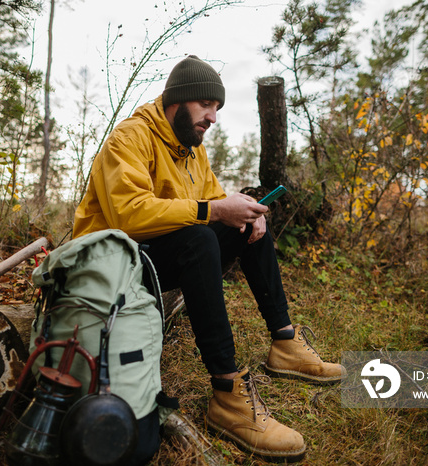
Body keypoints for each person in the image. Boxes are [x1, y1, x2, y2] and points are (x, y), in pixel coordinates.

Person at [73, 55, 345, 461]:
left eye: (216, 108)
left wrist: (246, 213)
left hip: (153, 258)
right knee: (201, 236)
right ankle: (228, 393)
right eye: (206, 105)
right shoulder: (130, 138)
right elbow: (127, 215)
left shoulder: (192, 150)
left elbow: (214, 199)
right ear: (176, 101)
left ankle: (285, 342)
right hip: (111, 265)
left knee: (243, 226)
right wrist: (214, 211)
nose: (212, 118)